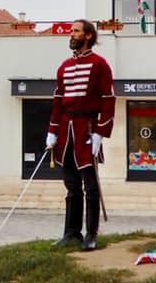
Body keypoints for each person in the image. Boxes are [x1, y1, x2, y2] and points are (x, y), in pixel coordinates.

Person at [46, 20, 115, 250]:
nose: (71, 34)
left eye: (75, 31)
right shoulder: (64, 66)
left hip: (87, 127)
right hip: (66, 129)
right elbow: (58, 100)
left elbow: (108, 99)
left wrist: (100, 133)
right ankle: (71, 232)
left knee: (90, 186)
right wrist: (52, 131)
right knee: (71, 184)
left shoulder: (99, 64)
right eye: (71, 31)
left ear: (88, 36)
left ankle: (91, 234)